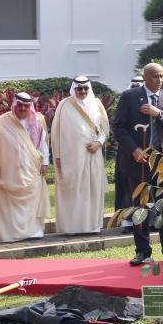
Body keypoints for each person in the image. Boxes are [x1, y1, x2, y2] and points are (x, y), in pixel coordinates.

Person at [113, 62, 163, 266]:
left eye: (162, 76)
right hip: (139, 161)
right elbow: (119, 128)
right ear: (145, 77)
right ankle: (142, 251)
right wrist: (134, 150)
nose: (159, 80)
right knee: (140, 205)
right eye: (155, 76)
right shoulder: (129, 97)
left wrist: (159, 113)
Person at [51, 76, 110, 234]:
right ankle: (72, 227)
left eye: (85, 88)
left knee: (92, 189)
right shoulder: (64, 105)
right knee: (73, 190)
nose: (82, 91)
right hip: (70, 157)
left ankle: (92, 226)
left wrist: (98, 143)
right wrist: (57, 155)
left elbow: (105, 129)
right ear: (74, 89)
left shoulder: (97, 104)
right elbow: (55, 133)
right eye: (79, 88)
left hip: (93, 154)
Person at [0, 93, 51, 243]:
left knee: (33, 198)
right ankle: (10, 232)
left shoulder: (38, 120)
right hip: (9, 169)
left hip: (32, 167)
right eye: (20, 105)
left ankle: (33, 230)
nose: (23, 108)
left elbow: (43, 143)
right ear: (14, 105)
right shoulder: (3, 121)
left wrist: (45, 162)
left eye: (26, 105)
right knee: (9, 201)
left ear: (30, 106)